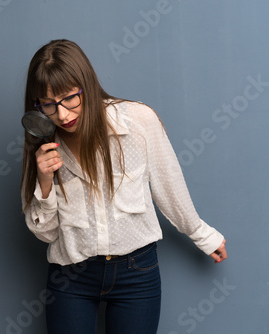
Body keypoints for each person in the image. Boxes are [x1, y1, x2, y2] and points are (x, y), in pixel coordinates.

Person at [20, 39, 228, 334]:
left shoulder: (138, 121)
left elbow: (168, 183)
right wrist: (43, 181)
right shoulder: (41, 143)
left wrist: (201, 234)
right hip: (71, 276)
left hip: (137, 273)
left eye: (69, 98)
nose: (63, 114)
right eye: (49, 105)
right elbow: (47, 234)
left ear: (87, 86)